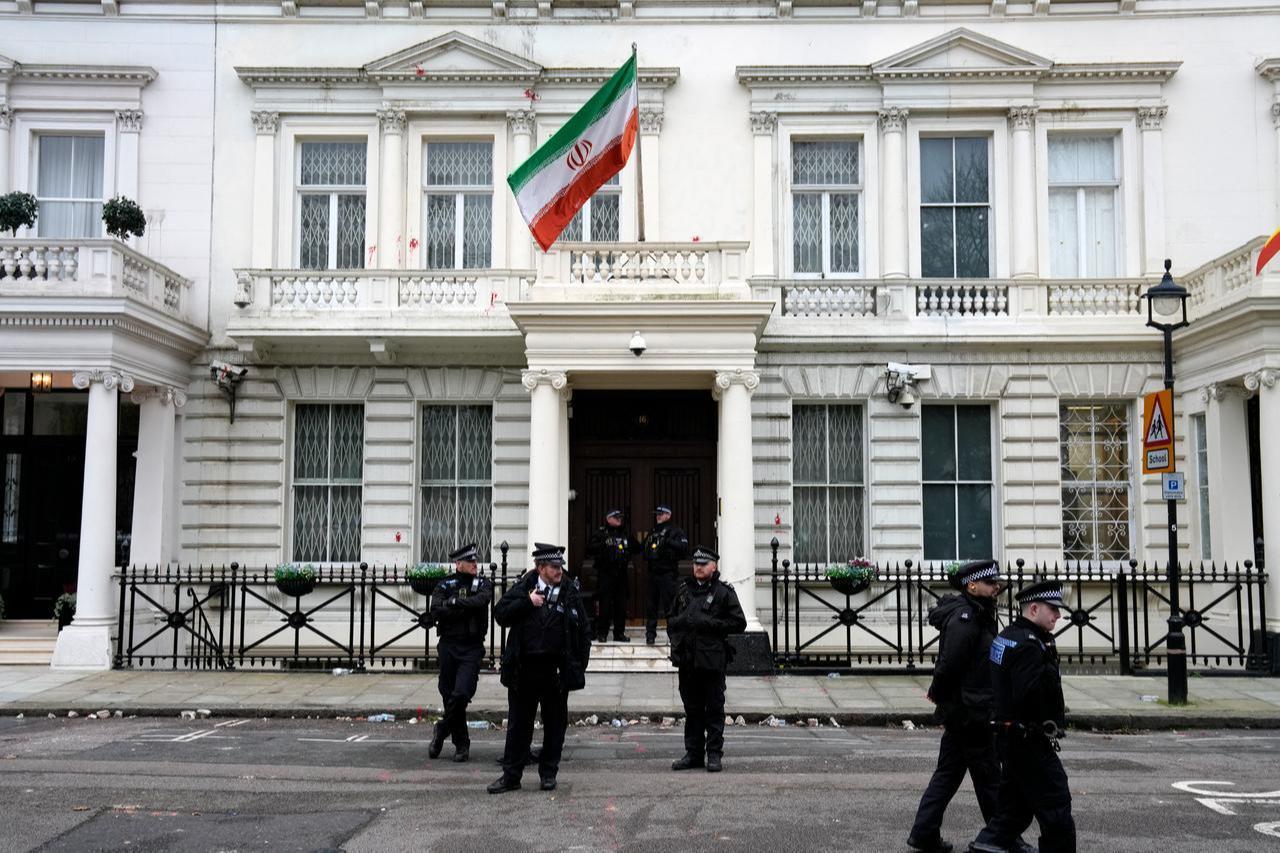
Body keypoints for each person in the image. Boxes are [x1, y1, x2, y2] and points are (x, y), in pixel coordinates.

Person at [969, 581, 1076, 853]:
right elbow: (1027, 695)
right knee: (1055, 800)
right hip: (1027, 737)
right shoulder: (1029, 645)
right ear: (1034, 608)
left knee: (1014, 806)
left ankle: (987, 845)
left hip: (1009, 736)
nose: (1058, 615)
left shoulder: (1008, 636)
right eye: (1053, 609)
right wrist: (1047, 722)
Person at [907, 560, 1004, 853]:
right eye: (990, 583)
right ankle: (1002, 836)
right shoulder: (967, 618)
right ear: (972, 586)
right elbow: (950, 663)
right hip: (970, 711)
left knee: (948, 775)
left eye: (996, 582)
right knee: (989, 777)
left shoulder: (979, 613)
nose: (996, 587)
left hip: (969, 708)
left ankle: (924, 833)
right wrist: (937, 693)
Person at [488, 543, 592, 794]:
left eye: (561, 567)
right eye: (555, 567)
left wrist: (577, 667)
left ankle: (548, 773)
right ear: (540, 568)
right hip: (525, 669)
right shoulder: (525, 586)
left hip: (555, 671)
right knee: (518, 725)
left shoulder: (569, 590)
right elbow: (501, 614)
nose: (559, 571)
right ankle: (511, 775)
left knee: (555, 725)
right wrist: (527, 602)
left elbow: (584, 631)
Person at [667, 546, 746, 774]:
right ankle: (693, 754)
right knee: (692, 709)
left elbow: (738, 623)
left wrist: (709, 624)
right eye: (696, 564)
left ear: (714, 566)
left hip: (712, 660)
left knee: (713, 708)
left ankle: (713, 754)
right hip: (688, 660)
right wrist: (681, 625)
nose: (698, 567)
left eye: (703, 564)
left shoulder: (723, 592)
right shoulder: (683, 590)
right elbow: (671, 619)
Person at [426, 543, 493, 763]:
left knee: (462, 693)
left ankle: (442, 728)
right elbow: (436, 610)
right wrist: (461, 608)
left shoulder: (482, 583)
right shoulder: (445, 584)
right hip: (448, 645)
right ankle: (461, 744)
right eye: (470, 561)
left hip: (471, 646)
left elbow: (481, 601)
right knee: (449, 694)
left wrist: (454, 603)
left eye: (476, 561)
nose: (475, 564)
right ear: (458, 564)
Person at [642, 504, 688, 645]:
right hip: (653, 573)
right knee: (651, 606)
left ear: (668, 515)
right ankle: (650, 635)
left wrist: (667, 542)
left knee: (670, 606)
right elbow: (645, 548)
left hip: (668, 573)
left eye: (660, 514)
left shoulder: (675, 530)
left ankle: (673, 635)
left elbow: (683, 547)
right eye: (656, 514)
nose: (658, 516)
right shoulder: (653, 531)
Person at [588, 508, 636, 643]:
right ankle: (602, 633)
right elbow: (590, 548)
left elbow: (637, 547)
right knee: (605, 605)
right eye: (616, 517)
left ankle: (619, 633)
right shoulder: (601, 533)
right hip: (606, 574)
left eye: (620, 517)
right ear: (609, 519)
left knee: (621, 605)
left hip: (621, 574)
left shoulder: (625, 533)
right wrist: (604, 543)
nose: (619, 519)